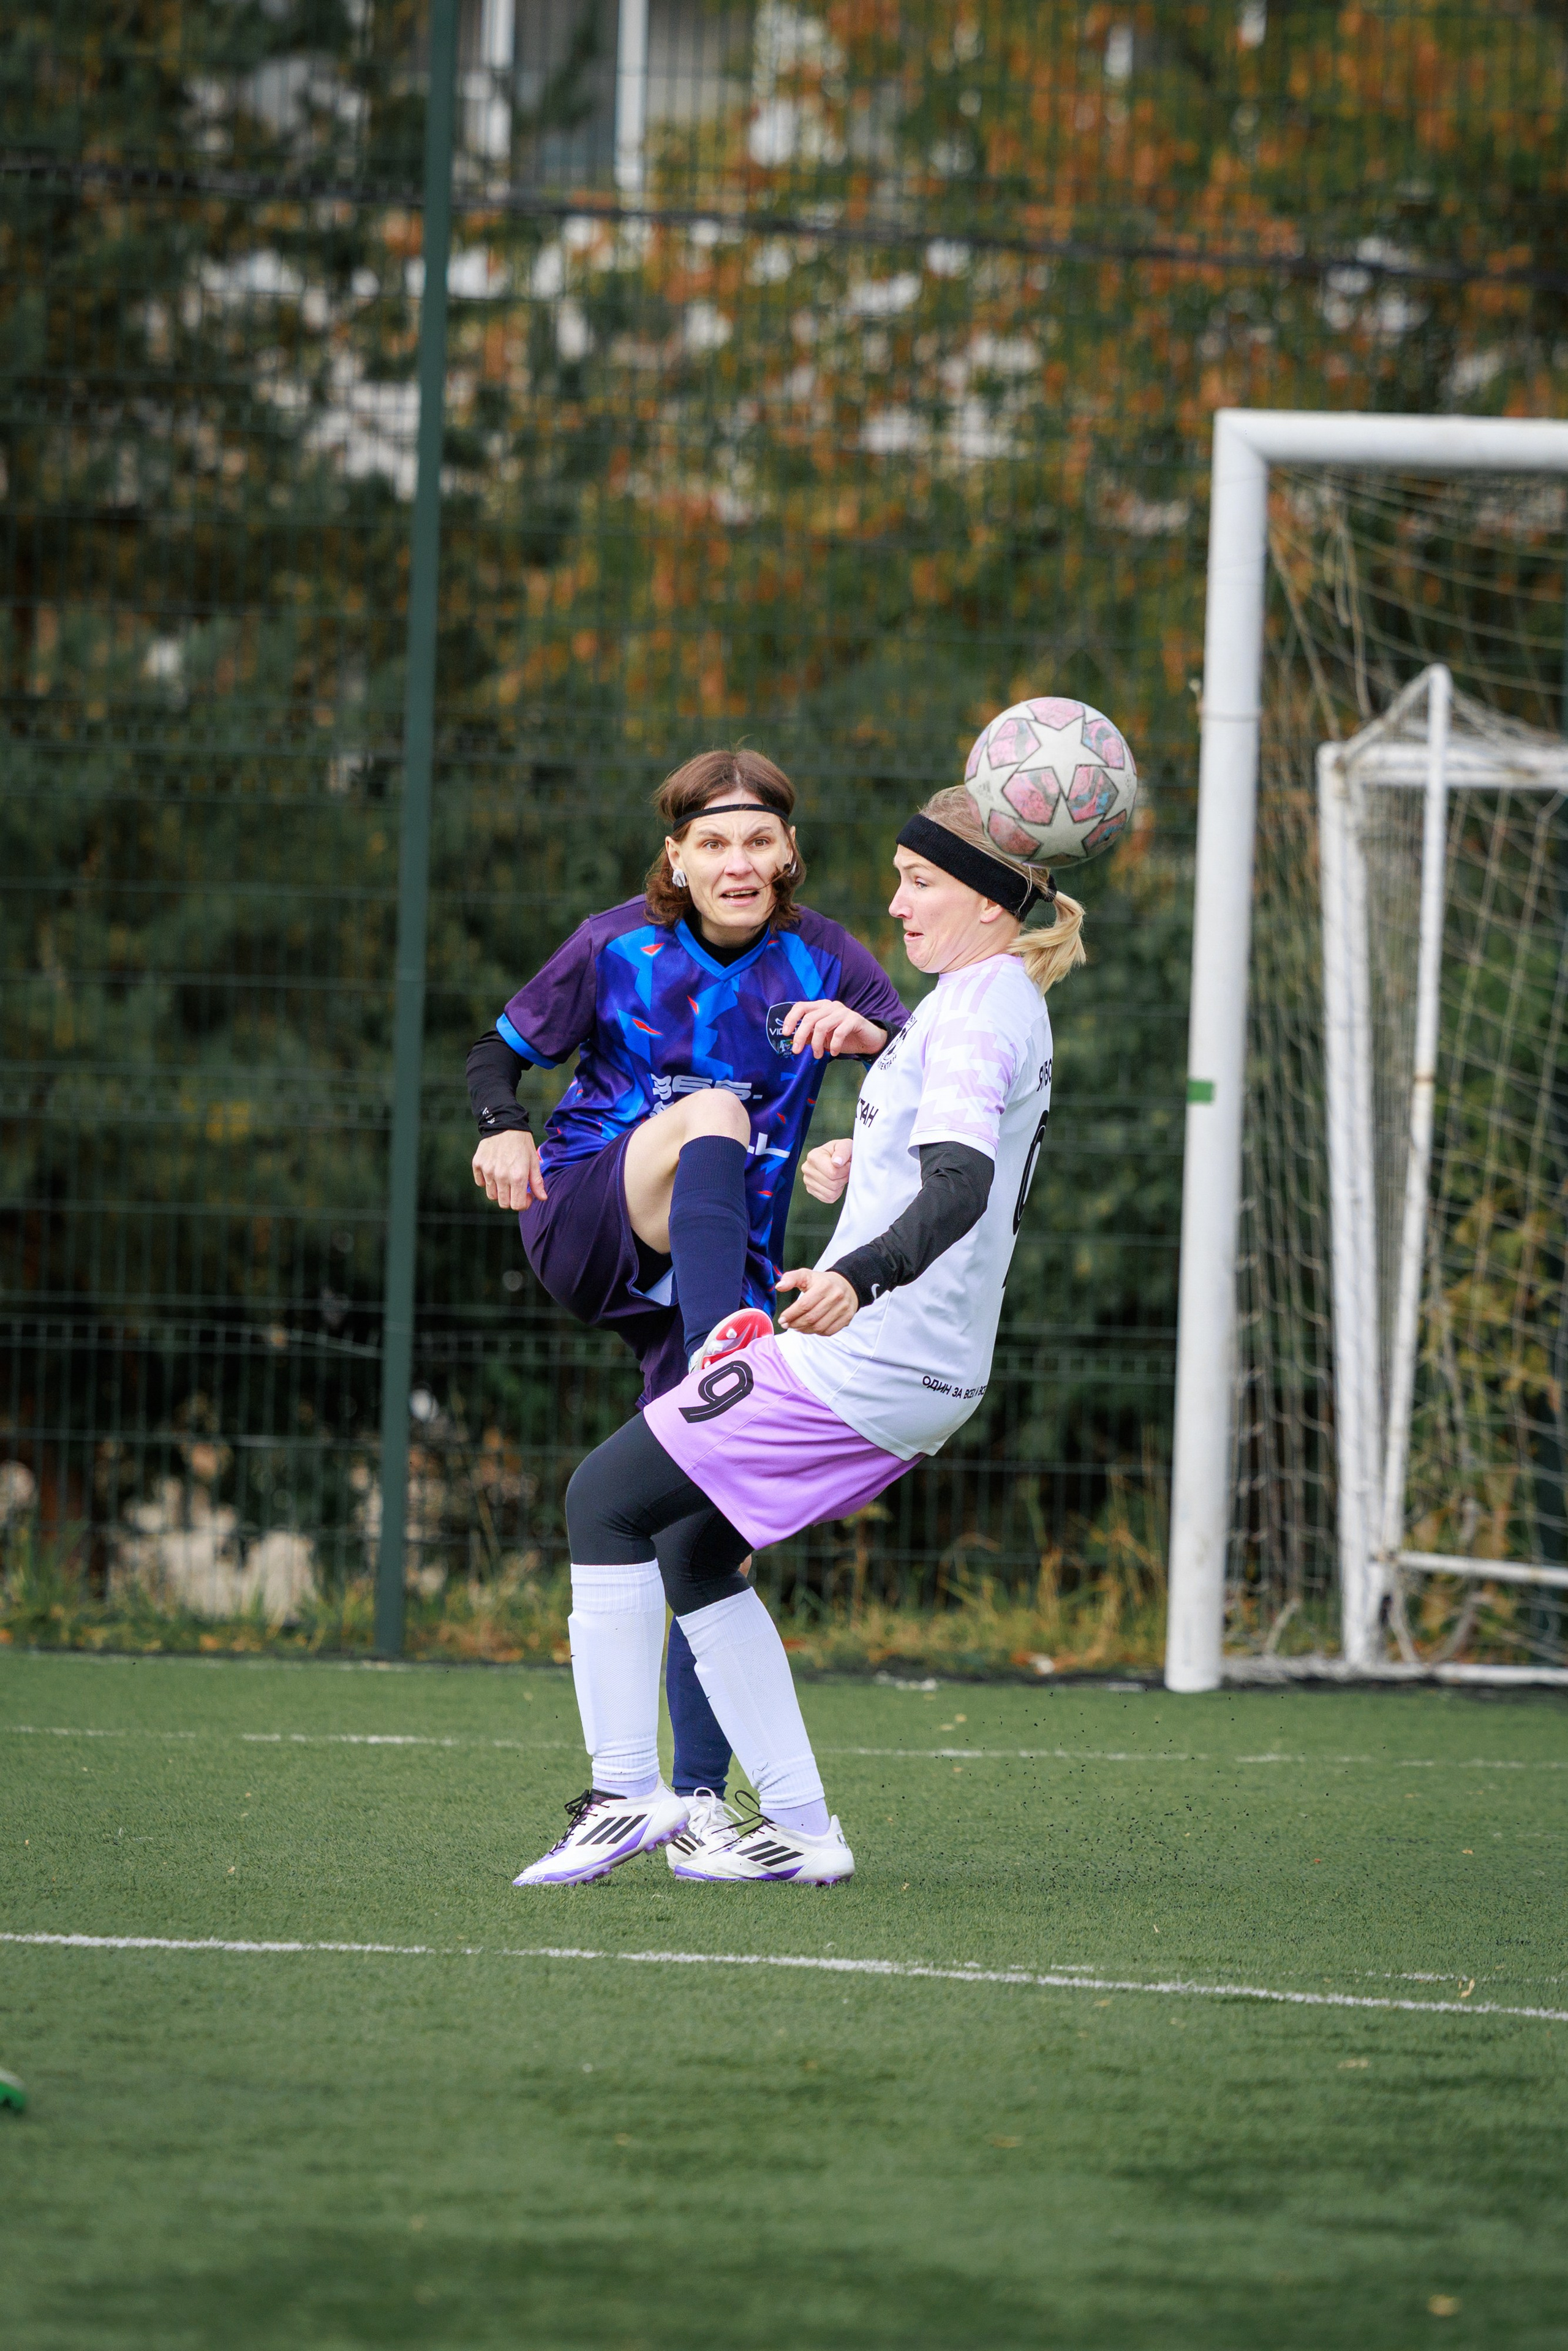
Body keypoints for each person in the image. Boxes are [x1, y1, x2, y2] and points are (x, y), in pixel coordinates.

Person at [511, 780, 1088, 1887]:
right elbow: (944, 1153)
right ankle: (803, 1825)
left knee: (602, 1499)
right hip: (924, 1373)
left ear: (984, 898)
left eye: (919, 882)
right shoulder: (989, 1001)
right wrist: (860, 1161)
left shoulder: (974, 1008)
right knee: (692, 1547)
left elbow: (962, 1184)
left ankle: (630, 1790)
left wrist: (859, 1275)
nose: (898, 902)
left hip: (863, 1354)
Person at [467, 749, 908, 1855]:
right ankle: (725, 1352)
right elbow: (496, 1050)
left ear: (790, 852)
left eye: (759, 840)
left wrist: (864, 1124)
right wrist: (500, 1125)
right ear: (677, 857)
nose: (738, 861)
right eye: (713, 842)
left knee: (704, 1539)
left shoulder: (828, 959)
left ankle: (695, 1805)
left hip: (726, 1273)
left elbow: (926, 1076)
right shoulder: (615, 944)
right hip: (587, 1218)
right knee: (713, 1107)